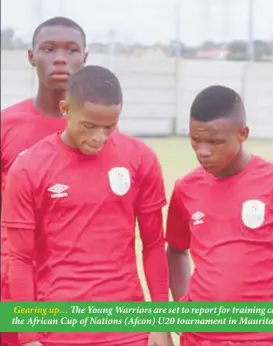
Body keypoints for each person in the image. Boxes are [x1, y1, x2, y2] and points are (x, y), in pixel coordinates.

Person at [1, 65, 172, 346]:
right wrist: (28, 336)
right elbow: (20, 260)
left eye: (109, 127)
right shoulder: (29, 167)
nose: (99, 138)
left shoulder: (140, 158)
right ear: (66, 109)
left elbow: (154, 244)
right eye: (89, 126)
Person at [165, 85, 273, 346]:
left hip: (263, 338)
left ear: (243, 134)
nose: (203, 151)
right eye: (196, 140)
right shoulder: (186, 188)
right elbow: (176, 251)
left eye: (215, 142)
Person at [0, 16, 88, 346]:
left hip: (76, 288)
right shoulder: (6, 125)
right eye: (49, 49)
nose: (61, 58)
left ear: (85, 58)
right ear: (31, 57)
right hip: (13, 284)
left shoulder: (99, 132)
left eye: (72, 49)